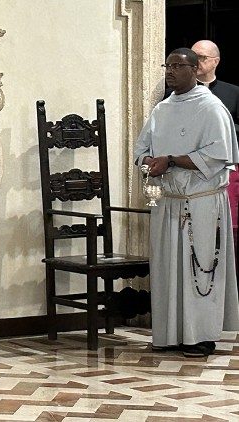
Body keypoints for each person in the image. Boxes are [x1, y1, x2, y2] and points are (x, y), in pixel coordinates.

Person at [134, 48, 239, 358]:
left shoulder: (211, 108)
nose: (170, 71)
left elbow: (218, 155)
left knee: (201, 269)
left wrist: (172, 160)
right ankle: (170, 334)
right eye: (167, 66)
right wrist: (150, 161)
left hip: (201, 202)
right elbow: (140, 150)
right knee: (168, 267)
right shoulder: (161, 109)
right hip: (167, 201)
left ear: (195, 70)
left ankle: (201, 337)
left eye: (178, 66)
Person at [191, 40, 239, 271]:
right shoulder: (177, 93)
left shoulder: (232, 92)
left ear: (215, 61)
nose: (195, 62)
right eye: (192, 57)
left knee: (228, 226)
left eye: (200, 57)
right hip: (191, 170)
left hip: (225, 168)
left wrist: (219, 129)